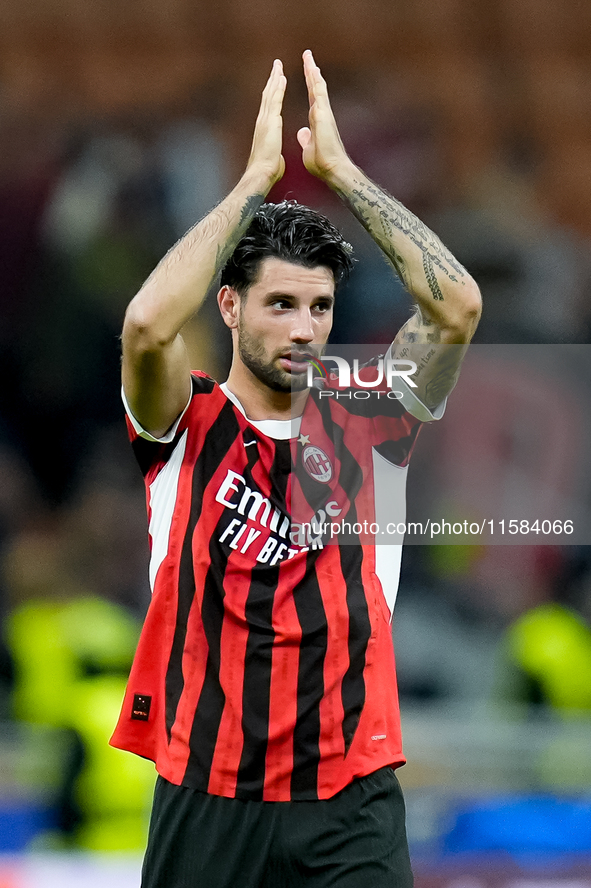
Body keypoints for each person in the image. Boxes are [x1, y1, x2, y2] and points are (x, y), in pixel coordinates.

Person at [111, 50, 481, 888]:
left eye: (319, 307)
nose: (305, 329)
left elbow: (456, 304)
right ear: (231, 305)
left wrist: (343, 177)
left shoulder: (373, 411)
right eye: (281, 304)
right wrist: (248, 190)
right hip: (207, 794)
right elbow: (143, 326)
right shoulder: (185, 423)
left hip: (349, 797)